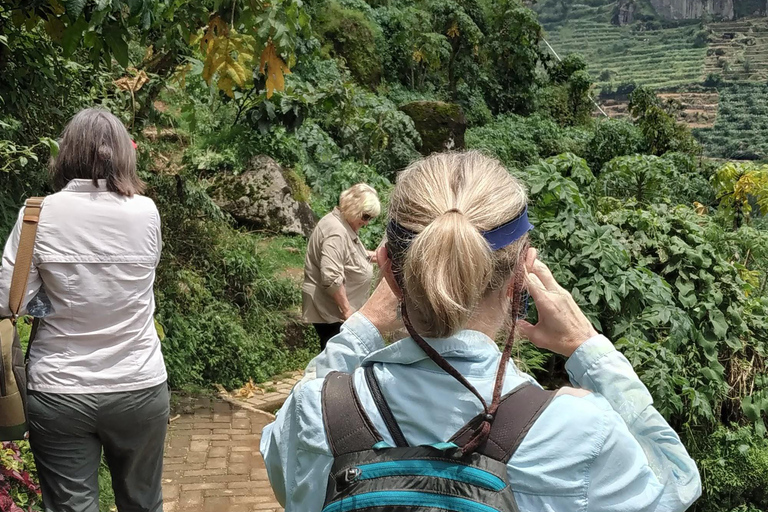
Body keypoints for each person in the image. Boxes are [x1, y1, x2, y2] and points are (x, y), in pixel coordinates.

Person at [261, 151, 702, 512]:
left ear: (391, 274)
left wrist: (361, 329)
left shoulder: (314, 413)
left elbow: (282, 464)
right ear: (520, 279)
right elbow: (677, 485)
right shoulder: (578, 432)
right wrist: (589, 350)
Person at [0, 108, 169, 512]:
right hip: (139, 383)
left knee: (71, 506)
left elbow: (10, 300)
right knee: (144, 502)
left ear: (67, 154)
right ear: (124, 157)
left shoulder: (36, 215)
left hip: (60, 389)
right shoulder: (146, 212)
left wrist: (54, 296)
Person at [302, 183, 381, 350]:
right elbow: (331, 277)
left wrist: (380, 257)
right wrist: (347, 313)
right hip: (333, 314)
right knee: (337, 359)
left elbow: (350, 254)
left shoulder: (343, 223)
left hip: (336, 313)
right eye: (365, 216)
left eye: (370, 218)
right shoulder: (336, 231)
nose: (366, 223)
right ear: (354, 208)